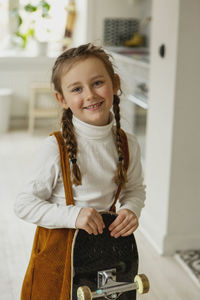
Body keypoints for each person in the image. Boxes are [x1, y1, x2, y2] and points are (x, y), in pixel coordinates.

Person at [14, 43, 146, 240]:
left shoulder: (129, 144)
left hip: (106, 247)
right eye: (77, 89)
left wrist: (131, 209)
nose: (90, 95)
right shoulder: (55, 149)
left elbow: (135, 189)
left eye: (97, 83)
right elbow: (24, 204)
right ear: (62, 99)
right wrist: (74, 216)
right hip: (60, 253)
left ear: (115, 84)